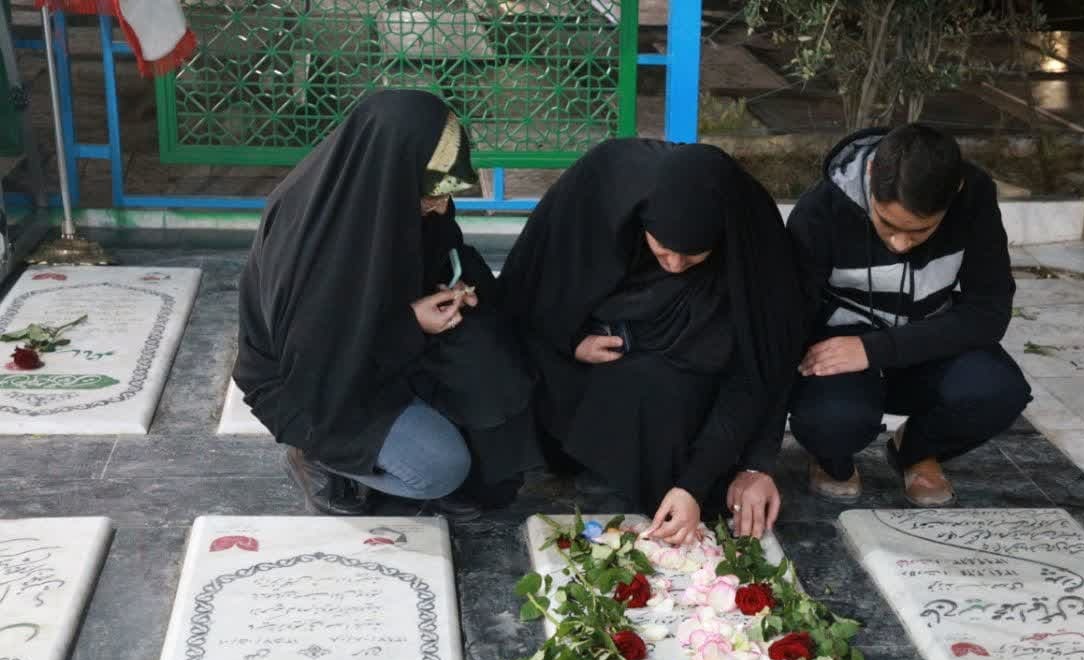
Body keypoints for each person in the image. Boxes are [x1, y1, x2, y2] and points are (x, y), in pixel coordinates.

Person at [493, 139, 815, 544]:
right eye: (661, 250)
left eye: (693, 257)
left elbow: (757, 366)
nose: (676, 266)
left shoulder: (749, 234)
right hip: (590, 349)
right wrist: (569, 339)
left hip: (673, 375)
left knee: (684, 454)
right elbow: (531, 289)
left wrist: (735, 471)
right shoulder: (603, 184)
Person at [235, 90, 540, 517]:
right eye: (430, 193)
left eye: (445, 192)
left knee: (492, 360)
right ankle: (317, 458)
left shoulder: (397, 192)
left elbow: (445, 251)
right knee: (440, 468)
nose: (441, 206)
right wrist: (411, 324)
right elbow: (318, 366)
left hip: (388, 345)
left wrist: (459, 286)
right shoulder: (319, 242)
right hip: (313, 388)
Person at [786, 123, 1031, 506]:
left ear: (956, 192)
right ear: (870, 174)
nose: (900, 244)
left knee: (999, 390)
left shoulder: (974, 197)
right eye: (887, 223)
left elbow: (989, 311)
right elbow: (786, 319)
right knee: (832, 419)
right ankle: (832, 457)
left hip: (926, 344)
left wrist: (875, 349)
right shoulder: (820, 210)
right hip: (839, 352)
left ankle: (917, 449)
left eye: (919, 231)